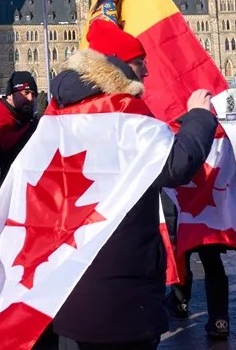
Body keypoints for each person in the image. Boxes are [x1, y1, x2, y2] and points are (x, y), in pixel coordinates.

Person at [50, 19, 218, 350]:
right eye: (141, 63)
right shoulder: (121, 110)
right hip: (122, 275)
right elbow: (174, 166)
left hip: (69, 273)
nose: (146, 72)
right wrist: (199, 117)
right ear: (118, 64)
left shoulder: (57, 111)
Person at [0, 70, 39, 202]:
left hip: (24, 194)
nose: (30, 99)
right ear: (10, 95)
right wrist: (35, 124)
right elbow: (11, 147)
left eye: (33, 94)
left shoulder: (21, 118)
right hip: (4, 197)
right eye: (25, 93)